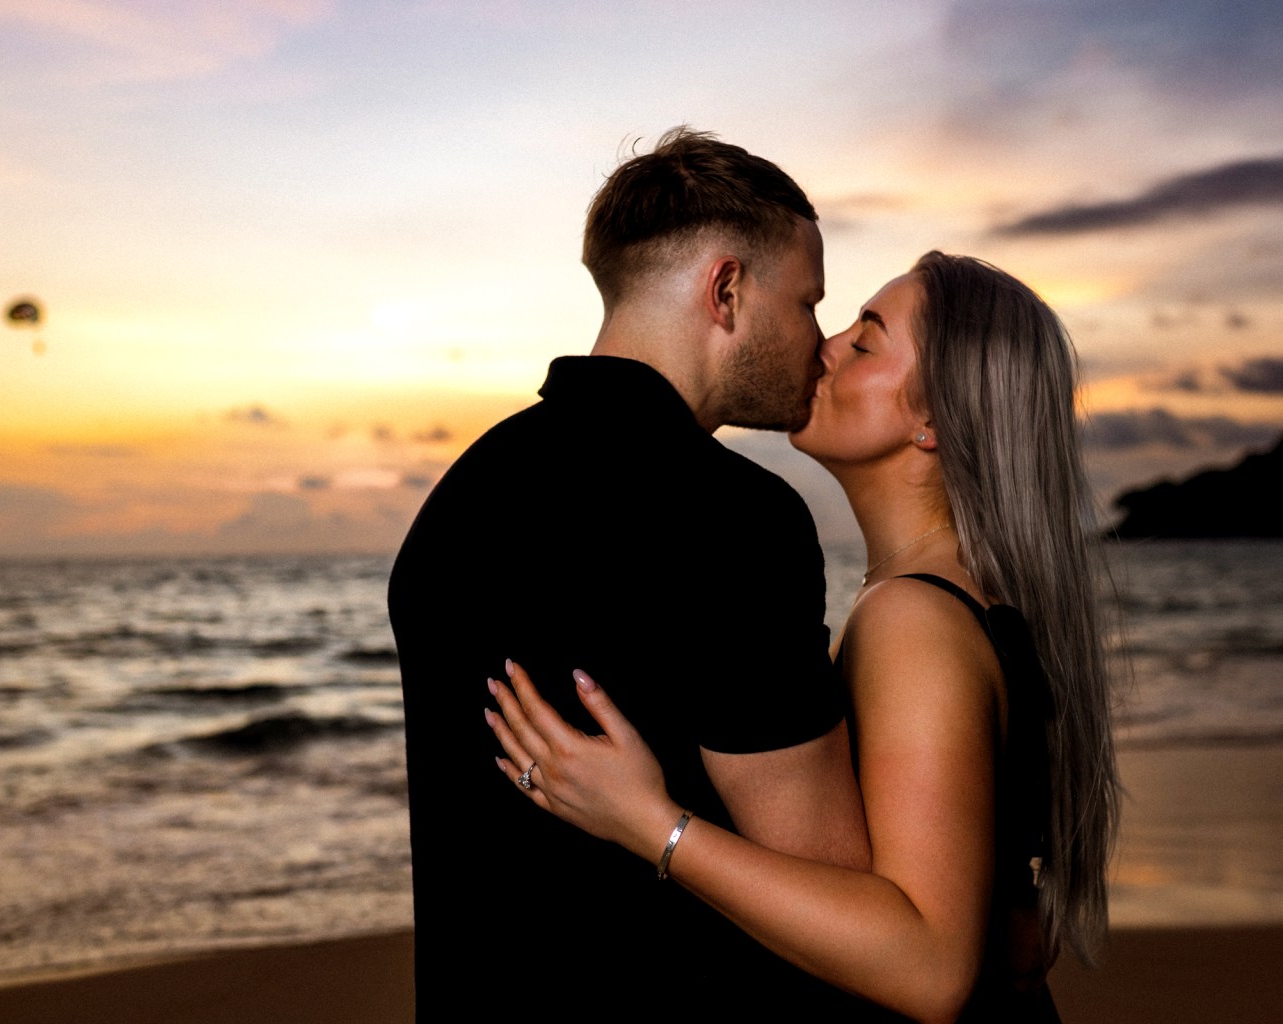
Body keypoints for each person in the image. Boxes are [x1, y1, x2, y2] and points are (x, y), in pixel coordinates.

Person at [486, 251, 1122, 1023]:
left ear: (934, 419)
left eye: (864, 342)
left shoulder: (913, 619)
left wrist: (649, 822)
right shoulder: (953, 598)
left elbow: (929, 968)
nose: (825, 346)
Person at [388, 128, 876, 1019]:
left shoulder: (457, 500)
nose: (819, 340)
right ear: (727, 290)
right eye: (808, 302)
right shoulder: (734, 519)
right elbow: (834, 894)